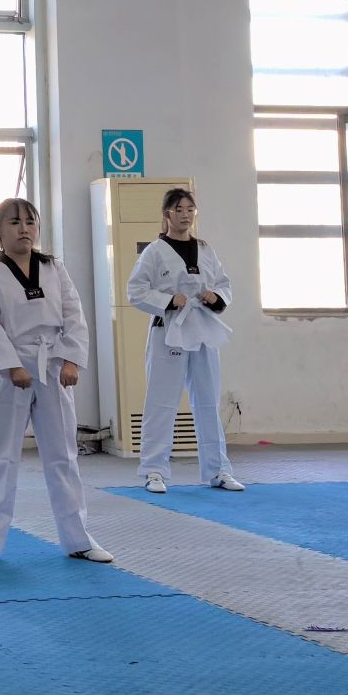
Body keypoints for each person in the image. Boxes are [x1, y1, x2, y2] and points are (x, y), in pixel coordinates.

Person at [0, 198, 111, 565]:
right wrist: (10, 364)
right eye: (14, 222)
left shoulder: (54, 269)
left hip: (52, 366)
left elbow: (73, 314)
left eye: (30, 222)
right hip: (8, 371)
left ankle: (78, 539)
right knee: (0, 456)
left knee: (64, 456)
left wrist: (72, 359)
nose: (24, 229)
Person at [126, 186, 244, 495]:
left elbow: (224, 283)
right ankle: (154, 470)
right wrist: (167, 300)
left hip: (203, 328)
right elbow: (135, 290)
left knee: (208, 400)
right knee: (161, 401)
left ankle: (218, 470)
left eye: (190, 209)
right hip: (169, 330)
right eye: (178, 209)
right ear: (167, 214)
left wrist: (215, 297)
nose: (185, 215)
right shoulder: (155, 251)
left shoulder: (205, 249)